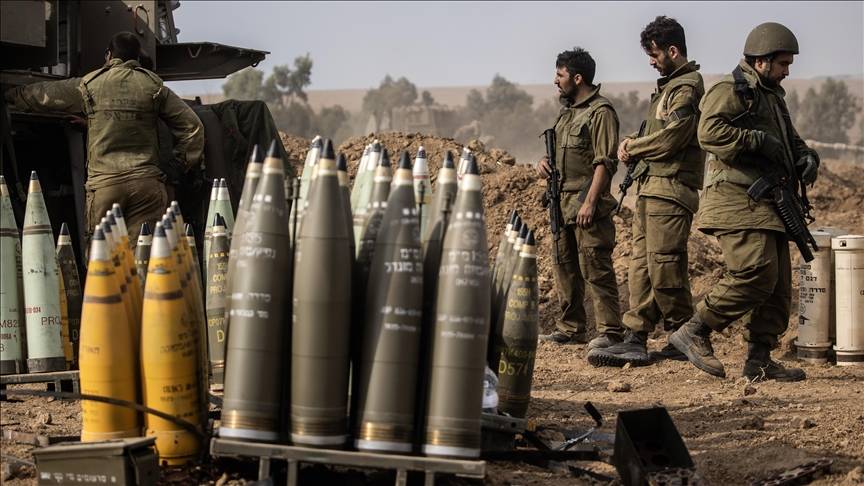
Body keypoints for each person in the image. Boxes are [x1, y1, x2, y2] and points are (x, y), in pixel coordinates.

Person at [666, 22, 818, 381]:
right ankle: (695, 330)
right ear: (761, 61)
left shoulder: (773, 97)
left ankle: (759, 360)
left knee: (778, 286)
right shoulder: (731, 89)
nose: (787, 71)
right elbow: (708, 131)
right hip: (737, 199)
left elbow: (791, 141)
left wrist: (807, 157)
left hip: (769, 202)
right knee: (756, 272)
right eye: (783, 63)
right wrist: (755, 140)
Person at [4, 32, 203, 246]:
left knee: (102, 255)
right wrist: (177, 165)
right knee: (143, 253)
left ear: (108, 55)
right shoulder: (155, 87)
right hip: (146, 185)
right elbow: (193, 127)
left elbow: (45, 95)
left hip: (106, 185)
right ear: (137, 57)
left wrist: (11, 95)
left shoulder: (90, 84)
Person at [588, 16, 705, 367]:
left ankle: (683, 333)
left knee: (664, 265)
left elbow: (673, 137)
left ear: (673, 50)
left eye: (654, 54)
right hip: (652, 188)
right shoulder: (668, 88)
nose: (651, 61)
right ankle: (638, 337)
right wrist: (634, 145)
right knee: (641, 266)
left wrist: (634, 147)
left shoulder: (687, 87)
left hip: (671, 189)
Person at [536, 48, 624, 349]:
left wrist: (590, 202)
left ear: (577, 78)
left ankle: (610, 332)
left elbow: (605, 162)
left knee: (595, 267)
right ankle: (571, 328)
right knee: (565, 267)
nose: (555, 81)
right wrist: (543, 164)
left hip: (587, 203)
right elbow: (561, 156)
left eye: (560, 75)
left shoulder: (601, 112)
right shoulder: (567, 114)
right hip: (561, 203)